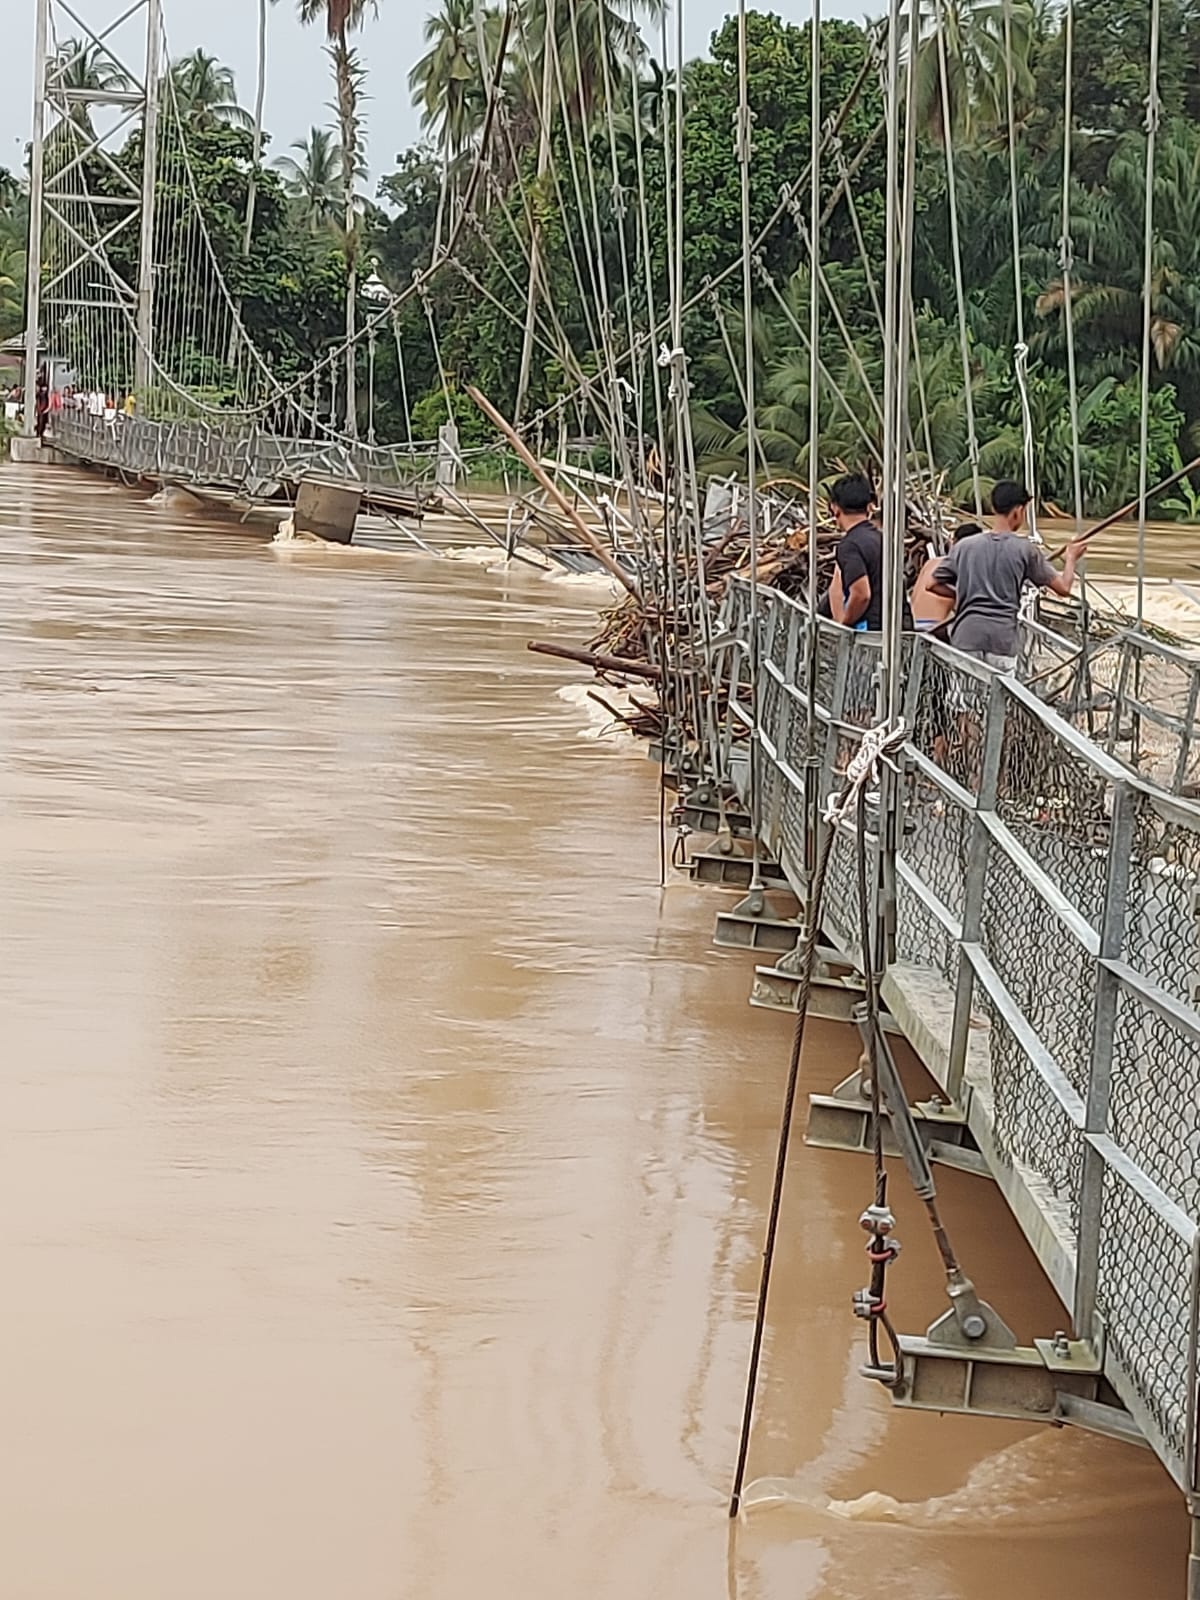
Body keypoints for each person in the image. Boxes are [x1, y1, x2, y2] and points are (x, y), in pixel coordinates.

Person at [930, 481, 1087, 672]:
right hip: (1002, 640)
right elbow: (1063, 588)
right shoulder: (1026, 550)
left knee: (963, 699)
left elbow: (933, 584)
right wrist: (1070, 558)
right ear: (1018, 511)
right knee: (998, 698)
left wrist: (963, 597)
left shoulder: (964, 546)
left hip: (967, 635)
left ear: (994, 507)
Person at [820, 473, 912, 632]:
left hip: (870, 636)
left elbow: (861, 594)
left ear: (835, 508)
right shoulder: (882, 539)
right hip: (894, 632)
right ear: (868, 506)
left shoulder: (850, 545)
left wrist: (844, 622)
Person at [910, 521, 983, 632]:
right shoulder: (960, 566)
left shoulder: (931, 563)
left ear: (952, 541)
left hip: (914, 622)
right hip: (934, 627)